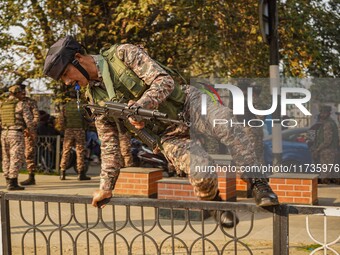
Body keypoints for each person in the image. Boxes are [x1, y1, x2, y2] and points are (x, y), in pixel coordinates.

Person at [43, 36, 279, 228]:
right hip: (166, 135)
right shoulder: (95, 100)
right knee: (201, 169)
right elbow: (109, 146)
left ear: (78, 59)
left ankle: (258, 183)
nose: (66, 82)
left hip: (185, 104)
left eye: (65, 74)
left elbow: (163, 81)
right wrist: (106, 187)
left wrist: (141, 106)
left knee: (225, 122)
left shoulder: (122, 55)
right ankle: (214, 204)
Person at [0, 85, 34, 190]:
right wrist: (31, 132)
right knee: (15, 157)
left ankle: (7, 179)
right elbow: (28, 121)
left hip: (4, 133)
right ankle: (13, 182)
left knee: (6, 157)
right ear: (17, 93)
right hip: (16, 134)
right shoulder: (21, 104)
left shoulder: (2, 104)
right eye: (21, 93)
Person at [57, 91, 91, 180]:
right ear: (78, 96)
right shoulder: (81, 107)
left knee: (66, 151)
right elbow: (87, 119)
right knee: (80, 151)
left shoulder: (65, 107)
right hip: (80, 130)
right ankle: (81, 173)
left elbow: (61, 120)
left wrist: (64, 129)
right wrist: (85, 127)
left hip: (69, 130)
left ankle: (62, 172)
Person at [19, 84, 40, 186]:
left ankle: (31, 177)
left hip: (28, 132)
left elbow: (36, 116)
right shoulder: (14, 102)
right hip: (16, 131)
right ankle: (12, 177)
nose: (22, 93)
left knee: (29, 154)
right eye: (20, 91)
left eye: (23, 91)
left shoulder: (30, 102)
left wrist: (31, 127)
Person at [312, 105, 339, 184]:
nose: (322, 115)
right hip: (330, 151)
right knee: (330, 173)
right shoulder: (330, 122)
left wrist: (317, 150)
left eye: (324, 113)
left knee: (325, 174)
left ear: (328, 113)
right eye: (321, 113)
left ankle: (324, 188)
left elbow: (327, 141)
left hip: (327, 152)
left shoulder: (328, 124)